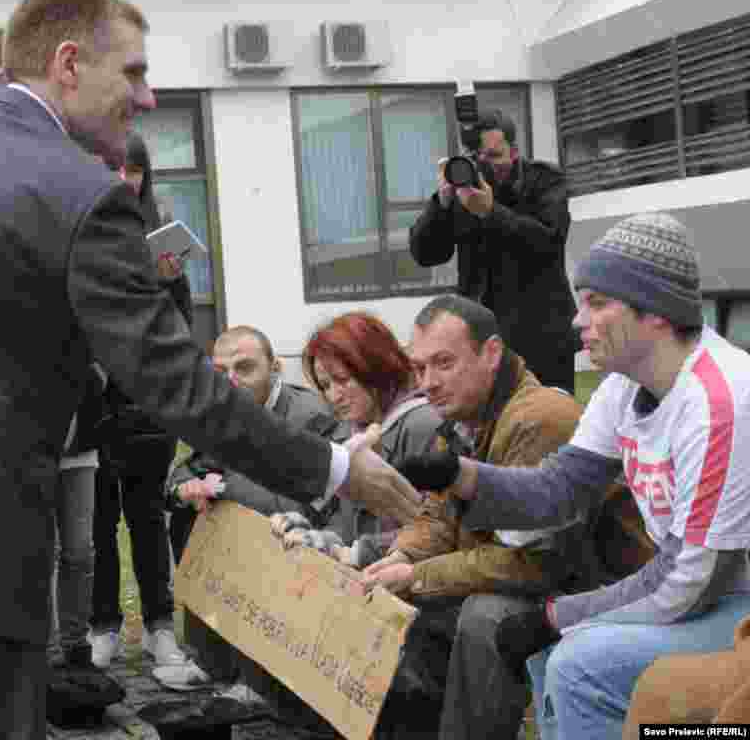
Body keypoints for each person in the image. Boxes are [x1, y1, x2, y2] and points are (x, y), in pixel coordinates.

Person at [0, 0, 417, 738]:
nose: (148, 98)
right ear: (68, 64)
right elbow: (176, 386)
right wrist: (332, 467)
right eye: (132, 72)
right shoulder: (83, 196)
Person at [395, 213, 750, 740]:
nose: (576, 321)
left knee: (579, 663)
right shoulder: (623, 388)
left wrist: (555, 617)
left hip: (732, 603)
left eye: (597, 303)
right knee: (552, 656)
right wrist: (461, 475)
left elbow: (690, 582)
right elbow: (559, 490)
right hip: (714, 595)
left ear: (654, 311)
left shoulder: (719, 401)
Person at [360, 294, 588, 740]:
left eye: (443, 363)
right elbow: (437, 516)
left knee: (487, 616)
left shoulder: (538, 419)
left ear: (491, 354)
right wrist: (401, 554)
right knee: (392, 594)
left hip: (590, 586)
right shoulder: (464, 417)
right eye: (420, 368)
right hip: (531, 573)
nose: (428, 383)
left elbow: (532, 564)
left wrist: (417, 574)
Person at [253, 312, 445, 734]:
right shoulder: (358, 429)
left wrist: (354, 551)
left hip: (422, 605)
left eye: (343, 379)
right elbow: (350, 527)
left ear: (374, 365)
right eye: (323, 384)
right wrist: (311, 532)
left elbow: (441, 529)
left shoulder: (421, 426)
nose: (333, 395)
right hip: (375, 592)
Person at [155, 325, 343, 695]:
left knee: (234, 521)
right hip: (248, 522)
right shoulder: (219, 413)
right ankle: (210, 661)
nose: (231, 381)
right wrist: (186, 489)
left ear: (275, 367)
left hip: (310, 529)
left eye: (244, 368)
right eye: (221, 372)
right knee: (192, 516)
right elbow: (185, 470)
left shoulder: (310, 417)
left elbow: (307, 500)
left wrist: (221, 488)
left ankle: (260, 680)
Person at [88, 133, 192, 671]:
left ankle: (159, 627)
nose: (126, 179)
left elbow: (181, 329)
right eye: (116, 168)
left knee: (147, 518)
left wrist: (171, 286)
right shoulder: (83, 230)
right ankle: (102, 625)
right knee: (98, 522)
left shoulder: (159, 234)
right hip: (95, 402)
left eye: (135, 170)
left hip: (147, 403)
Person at [409, 109, 577, 394]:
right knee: (487, 424)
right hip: (481, 335)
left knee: (549, 419)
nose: (486, 165)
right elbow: (426, 254)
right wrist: (442, 202)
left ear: (514, 152)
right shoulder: (462, 191)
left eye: (494, 155)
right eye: (478, 157)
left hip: (541, 334)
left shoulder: (544, 181)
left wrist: (490, 211)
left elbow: (548, 242)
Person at [45, 362, 124, 726]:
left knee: (79, 551)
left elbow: (106, 364)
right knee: (43, 554)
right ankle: (45, 653)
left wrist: (94, 373)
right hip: (32, 448)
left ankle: (76, 646)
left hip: (81, 446)